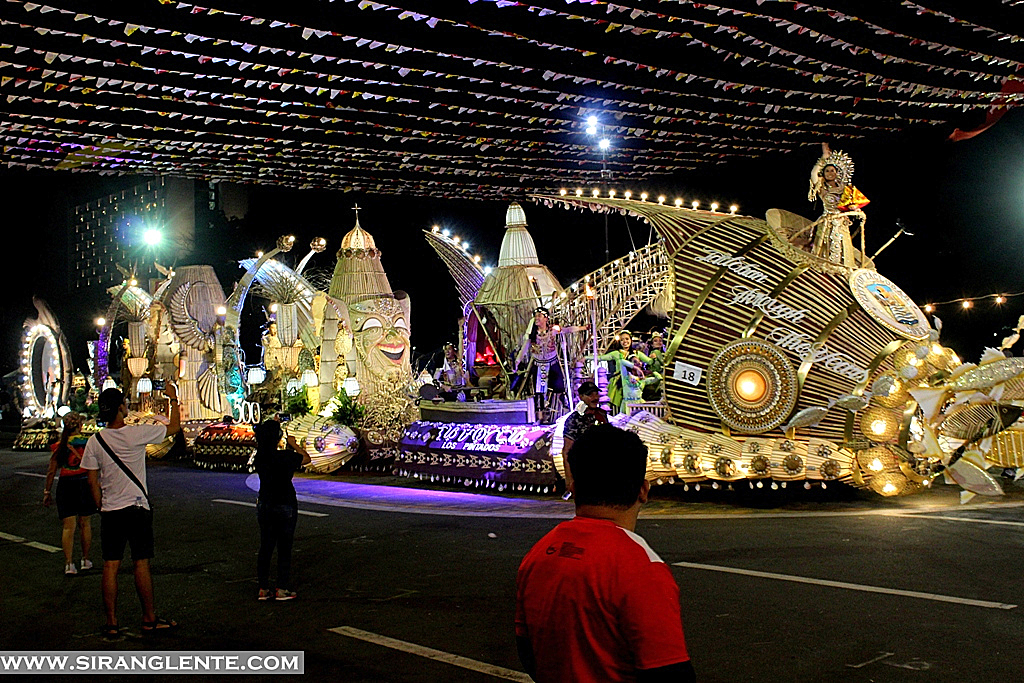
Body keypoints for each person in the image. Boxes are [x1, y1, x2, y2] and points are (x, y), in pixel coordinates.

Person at [515, 424, 695, 683]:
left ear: (574, 488)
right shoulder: (641, 568)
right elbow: (669, 672)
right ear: (643, 490)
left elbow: (527, 650)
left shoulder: (539, 554)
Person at [82, 384, 181, 639]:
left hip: (111, 510)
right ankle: (148, 618)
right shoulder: (135, 434)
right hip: (137, 507)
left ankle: (112, 623)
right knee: (141, 563)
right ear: (120, 409)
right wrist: (173, 399)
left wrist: (101, 506)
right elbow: (174, 428)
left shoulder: (95, 441)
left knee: (110, 566)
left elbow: (92, 482)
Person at [253, 418, 311, 601]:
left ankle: (263, 588)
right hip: (284, 503)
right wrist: (294, 444)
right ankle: (282, 588)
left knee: (266, 546)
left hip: (265, 503)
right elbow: (307, 459)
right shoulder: (285, 456)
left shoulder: (260, 457)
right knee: (284, 547)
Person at [43, 412, 97, 575]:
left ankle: (69, 564)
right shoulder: (88, 443)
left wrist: (47, 491)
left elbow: (51, 471)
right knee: (85, 524)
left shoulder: (59, 446)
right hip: (83, 484)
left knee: (68, 527)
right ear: (80, 426)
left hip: (66, 486)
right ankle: (85, 559)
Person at [807, 142, 869, 266]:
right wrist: (824, 157)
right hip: (826, 222)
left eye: (832, 170)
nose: (830, 173)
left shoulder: (846, 189)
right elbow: (814, 174)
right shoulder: (822, 188)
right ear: (823, 174)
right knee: (823, 250)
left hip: (841, 224)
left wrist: (857, 211)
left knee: (842, 250)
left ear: (837, 173)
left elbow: (852, 205)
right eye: (827, 171)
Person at [560, 381, 608, 493]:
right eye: (590, 395)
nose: (595, 397)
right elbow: (567, 450)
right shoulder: (574, 419)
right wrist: (569, 477)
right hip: (583, 471)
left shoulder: (602, 415)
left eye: (596, 394)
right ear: (581, 397)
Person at [599, 331, 654, 414]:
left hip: (633, 381)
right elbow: (601, 357)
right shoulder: (616, 353)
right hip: (618, 383)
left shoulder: (637, 353)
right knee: (612, 404)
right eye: (622, 340)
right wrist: (585, 358)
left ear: (631, 340)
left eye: (627, 339)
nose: (625, 341)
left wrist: (654, 355)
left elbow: (650, 361)